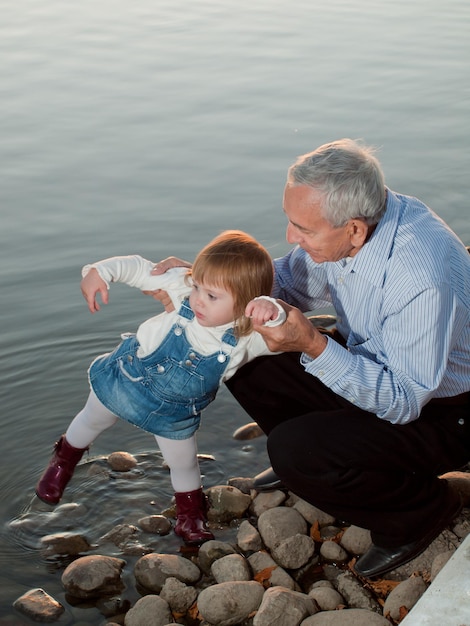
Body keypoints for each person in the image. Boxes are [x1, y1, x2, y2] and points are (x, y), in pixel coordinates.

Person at [152, 139, 470, 577]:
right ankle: (326, 457)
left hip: (443, 411)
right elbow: (289, 281)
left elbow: (402, 401)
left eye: (303, 229)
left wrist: (313, 345)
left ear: (354, 229)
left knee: (294, 450)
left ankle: (419, 513)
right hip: (374, 361)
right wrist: (206, 286)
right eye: (290, 221)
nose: (290, 238)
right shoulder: (361, 223)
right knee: (240, 346)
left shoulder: (419, 277)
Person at [35, 230, 286, 545]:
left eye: (212, 296)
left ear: (248, 304)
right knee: (92, 419)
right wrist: (99, 271)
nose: (197, 299)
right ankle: (63, 463)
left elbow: (287, 332)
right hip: (128, 379)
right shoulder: (181, 289)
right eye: (197, 286)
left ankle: (190, 514)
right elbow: (139, 268)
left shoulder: (251, 338)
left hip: (174, 413)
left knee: (184, 462)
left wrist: (272, 311)